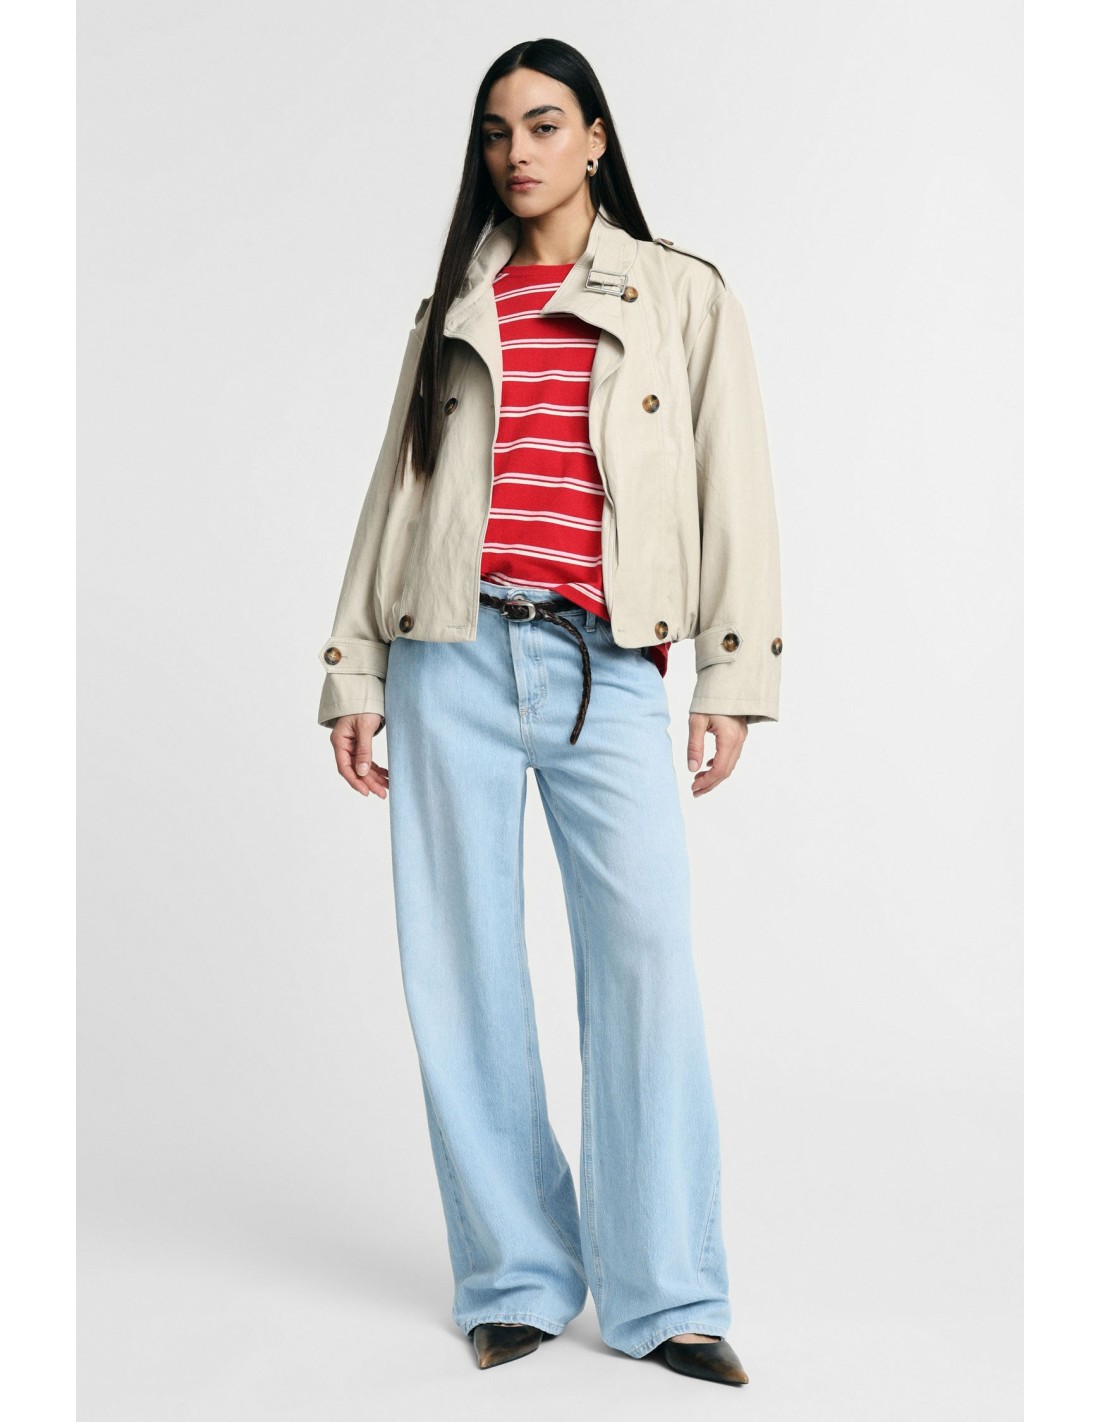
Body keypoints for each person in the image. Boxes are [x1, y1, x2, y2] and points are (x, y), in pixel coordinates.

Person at [315, 37, 781, 1388]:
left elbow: (735, 482)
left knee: (644, 963)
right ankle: (514, 1276)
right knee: (460, 972)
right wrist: (355, 671)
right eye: (494, 131)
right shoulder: (457, 304)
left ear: (595, 138)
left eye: (542, 123)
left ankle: (666, 1294)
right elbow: (397, 492)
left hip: (604, 664)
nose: (516, 151)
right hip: (448, 656)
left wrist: (732, 674)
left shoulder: (679, 294)